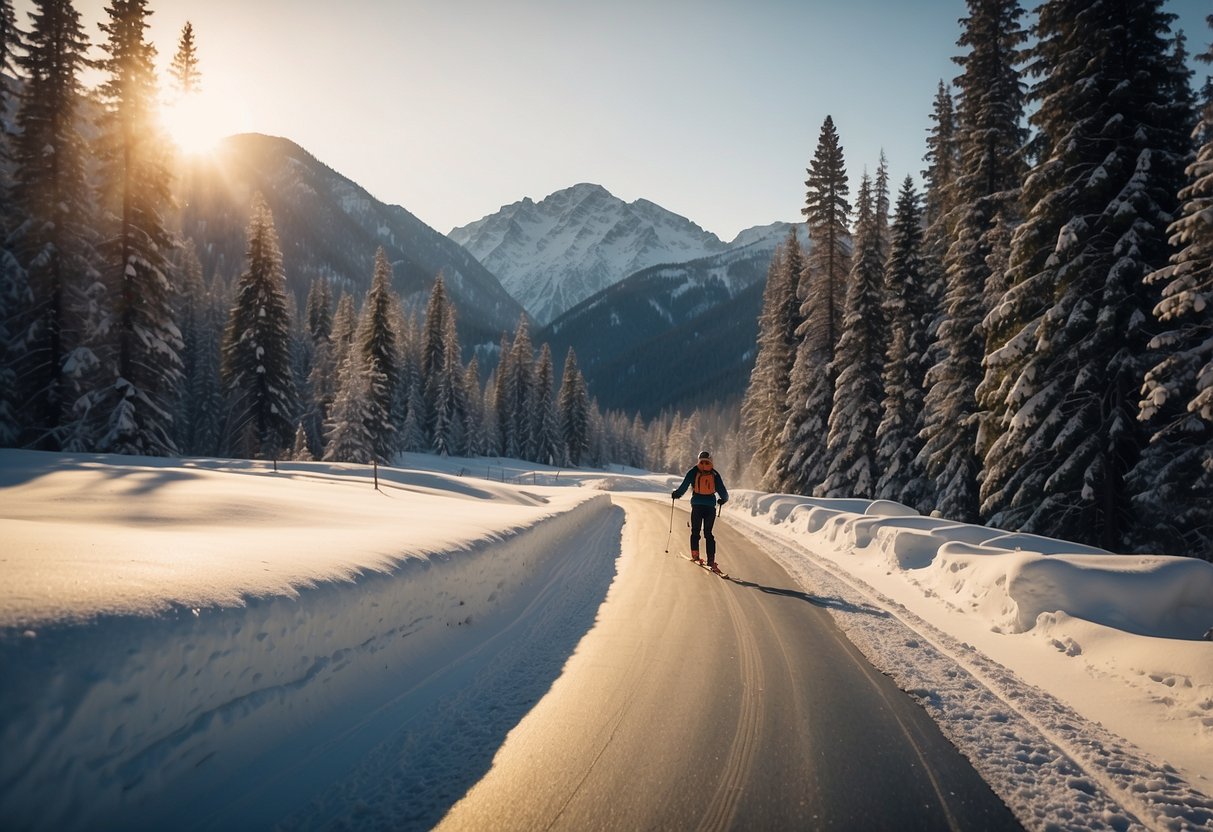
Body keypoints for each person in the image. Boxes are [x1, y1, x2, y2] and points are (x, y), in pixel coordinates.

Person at [672, 450, 729, 572]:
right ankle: (711, 561)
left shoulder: (693, 471)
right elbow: (724, 493)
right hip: (710, 507)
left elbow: (683, 486)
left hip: (697, 505)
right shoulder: (715, 474)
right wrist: (722, 501)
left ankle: (695, 555)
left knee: (695, 531)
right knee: (708, 534)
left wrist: (676, 494)